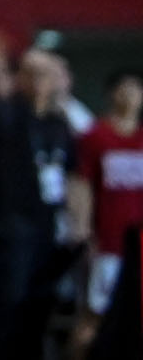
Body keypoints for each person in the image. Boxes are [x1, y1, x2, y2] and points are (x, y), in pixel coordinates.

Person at [0, 48, 78, 360]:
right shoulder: (6, 114)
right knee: (9, 303)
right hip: (12, 225)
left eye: (45, 75)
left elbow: (71, 174)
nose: (38, 81)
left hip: (47, 225)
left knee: (40, 303)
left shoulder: (58, 123)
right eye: (31, 74)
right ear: (20, 78)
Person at [76, 70, 143, 331]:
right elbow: (82, 186)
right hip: (109, 241)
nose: (131, 95)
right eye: (124, 89)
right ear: (111, 94)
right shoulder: (95, 136)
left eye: (137, 89)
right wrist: (85, 230)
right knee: (96, 315)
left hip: (139, 244)